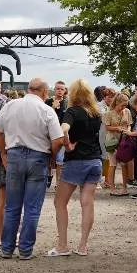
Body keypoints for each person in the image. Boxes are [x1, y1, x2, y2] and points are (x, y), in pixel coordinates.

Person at [0, 78, 64, 260]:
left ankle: (7, 249)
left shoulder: (11, 105)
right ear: (45, 92)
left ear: (30, 89)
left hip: (14, 156)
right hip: (38, 158)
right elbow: (58, 140)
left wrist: (3, 153)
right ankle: (25, 250)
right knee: (32, 207)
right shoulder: (47, 110)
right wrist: (52, 158)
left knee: (12, 206)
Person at [47, 79, 103, 257]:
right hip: (95, 161)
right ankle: (83, 246)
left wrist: (67, 143)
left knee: (60, 202)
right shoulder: (96, 113)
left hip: (76, 160)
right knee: (87, 203)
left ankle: (62, 245)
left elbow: (64, 127)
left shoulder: (72, 111)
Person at [103, 93, 134, 195]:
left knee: (124, 163)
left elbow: (129, 124)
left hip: (124, 141)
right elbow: (107, 127)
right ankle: (112, 188)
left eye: (125, 105)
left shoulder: (127, 111)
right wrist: (117, 128)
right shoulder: (108, 113)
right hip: (112, 141)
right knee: (113, 164)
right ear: (117, 102)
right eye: (122, 105)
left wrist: (128, 131)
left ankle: (125, 188)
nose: (124, 107)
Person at [46, 81, 68, 186]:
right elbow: (44, 116)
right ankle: (48, 177)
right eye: (58, 89)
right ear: (54, 90)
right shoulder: (48, 101)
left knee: (60, 160)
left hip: (61, 134)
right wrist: (53, 108)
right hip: (49, 133)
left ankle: (58, 184)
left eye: (62, 89)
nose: (59, 91)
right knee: (49, 157)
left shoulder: (67, 103)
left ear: (65, 91)